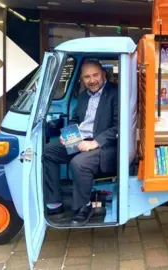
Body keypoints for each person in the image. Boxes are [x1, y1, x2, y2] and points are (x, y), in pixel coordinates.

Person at [43, 59, 118, 226]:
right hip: (79, 139)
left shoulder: (116, 93)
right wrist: (67, 134)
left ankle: (84, 206)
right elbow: (77, 119)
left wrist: (95, 142)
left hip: (104, 146)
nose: (92, 80)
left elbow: (119, 126)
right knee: (48, 151)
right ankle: (55, 202)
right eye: (87, 77)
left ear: (103, 74)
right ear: (82, 80)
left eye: (95, 75)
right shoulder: (83, 96)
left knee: (79, 163)